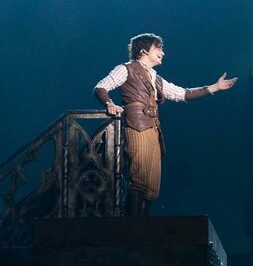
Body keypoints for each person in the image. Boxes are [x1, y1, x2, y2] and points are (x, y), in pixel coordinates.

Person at [94, 33, 237, 216]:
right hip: (137, 125)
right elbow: (101, 86)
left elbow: (182, 94)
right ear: (144, 50)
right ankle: (131, 227)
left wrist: (215, 87)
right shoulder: (126, 68)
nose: (162, 52)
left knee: (151, 186)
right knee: (139, 178)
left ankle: (142, 227)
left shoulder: (155, 77)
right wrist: (109, 104)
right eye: (158, 48)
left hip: (154, 128)